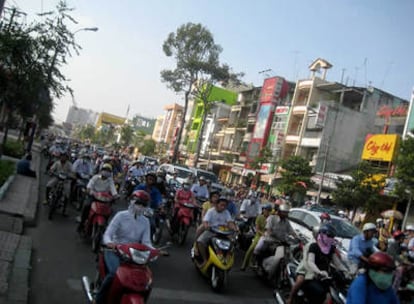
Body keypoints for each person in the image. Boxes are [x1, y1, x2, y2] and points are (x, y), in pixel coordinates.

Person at [94, 190, 153, 304]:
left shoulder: (145, 221)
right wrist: (109, 242)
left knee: (146, 280)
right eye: (138, 203)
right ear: (131, 201)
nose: (140, 207)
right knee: (114, 274)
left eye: (144, 205)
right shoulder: (121, 216)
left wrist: (153, 251)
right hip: (114, 250)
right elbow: (108, 234)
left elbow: (146, 241)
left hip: (133, 255)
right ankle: (99, 300)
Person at [297, 224, 349, 304]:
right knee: (319, 293)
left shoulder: (331, 248)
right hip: (312, 275)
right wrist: (319, 272)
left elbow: (337, 263)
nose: (331, 238)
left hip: (325, 278)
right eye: (329, 235)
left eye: (332, 236)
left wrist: (347, 272)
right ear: (322, 234)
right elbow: (311, 262)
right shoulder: (314, 246)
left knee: (332, 295)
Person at [255, 203, 296, 279]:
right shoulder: (272, 218)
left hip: (281, 243)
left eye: (286, 212)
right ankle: (259, 266)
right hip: (270, 240)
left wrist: (297, 237)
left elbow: (291, 231)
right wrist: (273, 234)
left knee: (287, 256)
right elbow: (268, 229)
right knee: (260, 249)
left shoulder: (286, 222)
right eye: (284, 212)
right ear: (279, 212)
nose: (285, 214)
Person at [195, 197, 237, 265]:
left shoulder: (226, 212)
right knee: (200, 242)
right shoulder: (211, 211)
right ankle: (205, 259)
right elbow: (205, 221)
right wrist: (206, 225)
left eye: (225, 206)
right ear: (217, 204)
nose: (223, 207)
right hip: (212, 231)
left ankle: (227, 257)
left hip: (224, 233)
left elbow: (230, 222)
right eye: (222, 205)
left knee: (233, 242)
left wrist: (234, 228)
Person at [77, 163, 118, 232]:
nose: (106, 172)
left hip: (104, 199)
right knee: (87, 206)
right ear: (101, 170)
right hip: (94, 197)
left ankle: (105, 224)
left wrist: (116, 195)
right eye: (105, 170)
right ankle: (82, 223)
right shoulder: (95, 177)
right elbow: (89, 186)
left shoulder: (110, 180)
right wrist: (89, 191)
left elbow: (113, 189)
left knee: (109, 211)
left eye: (108, 171)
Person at [240, 204, 272, 271]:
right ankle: (244, 265)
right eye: (266, 210)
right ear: (263, 210)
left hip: (268, 236)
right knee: (251, 248)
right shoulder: (259, 217)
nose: (267, 212)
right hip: (259, 235)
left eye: (269, 210)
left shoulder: (271, 218)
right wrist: (263, 234)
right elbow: (257, 229)